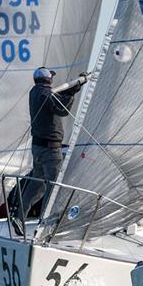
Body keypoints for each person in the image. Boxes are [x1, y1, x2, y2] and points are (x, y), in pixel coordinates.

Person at [12, 67, 87, 236]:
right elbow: (63, 109)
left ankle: (19, 217)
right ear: (48, 79)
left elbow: (55, 100)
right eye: (51, 77)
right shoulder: (46, 94)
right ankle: (45, 223)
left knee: (37, 185)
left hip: (38, 148)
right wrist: (73, 91)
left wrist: (69, 90)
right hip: (50, 150)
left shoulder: (35, 92)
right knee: (54, 187)